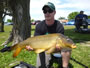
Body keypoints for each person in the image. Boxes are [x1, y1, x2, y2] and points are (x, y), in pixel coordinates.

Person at [26, 2, 71, 68]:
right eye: (45, 11)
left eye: (50, 11)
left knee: (67, 46)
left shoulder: (59, 26)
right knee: (41, 66)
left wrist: (57, 47)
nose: (47, 13)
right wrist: (32, 48)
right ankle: (49, 59)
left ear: (54, 12)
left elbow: (62, 42)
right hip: (44, 48)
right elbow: (36, 42)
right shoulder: (39, 26)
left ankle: (65, 66)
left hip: (56, 48)